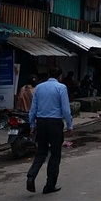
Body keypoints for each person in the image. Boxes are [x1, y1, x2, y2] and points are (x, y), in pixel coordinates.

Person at [26, 66, 74, 194]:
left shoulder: (39, 87)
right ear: (60, 76)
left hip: (41, 122)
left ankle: (31, 175)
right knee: (55, 154)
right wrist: (69, 125)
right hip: (55, 124)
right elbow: (66, 109)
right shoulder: (61, 88)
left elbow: (33, 108)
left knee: (41, 152)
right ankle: (50, 185)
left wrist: (32, 124)